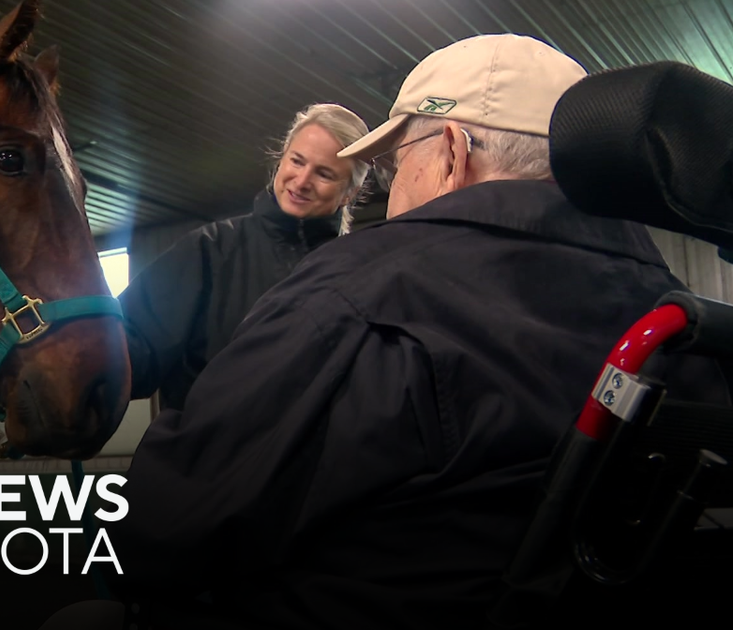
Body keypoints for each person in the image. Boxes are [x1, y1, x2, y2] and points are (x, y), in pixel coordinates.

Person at [104, 34, 731, 630]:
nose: (394, 189)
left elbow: (165, 531)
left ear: (453, 152)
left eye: (400, 163)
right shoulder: (679, 323)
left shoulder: (357, 294)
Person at [118, 103, 369, 413]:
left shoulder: (358, 277)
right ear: (281, 160)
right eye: (297, 160)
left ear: (349, 194)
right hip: (205, 455)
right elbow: (127, 352)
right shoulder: (210, 250)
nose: (302, 181)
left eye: (324, 173)